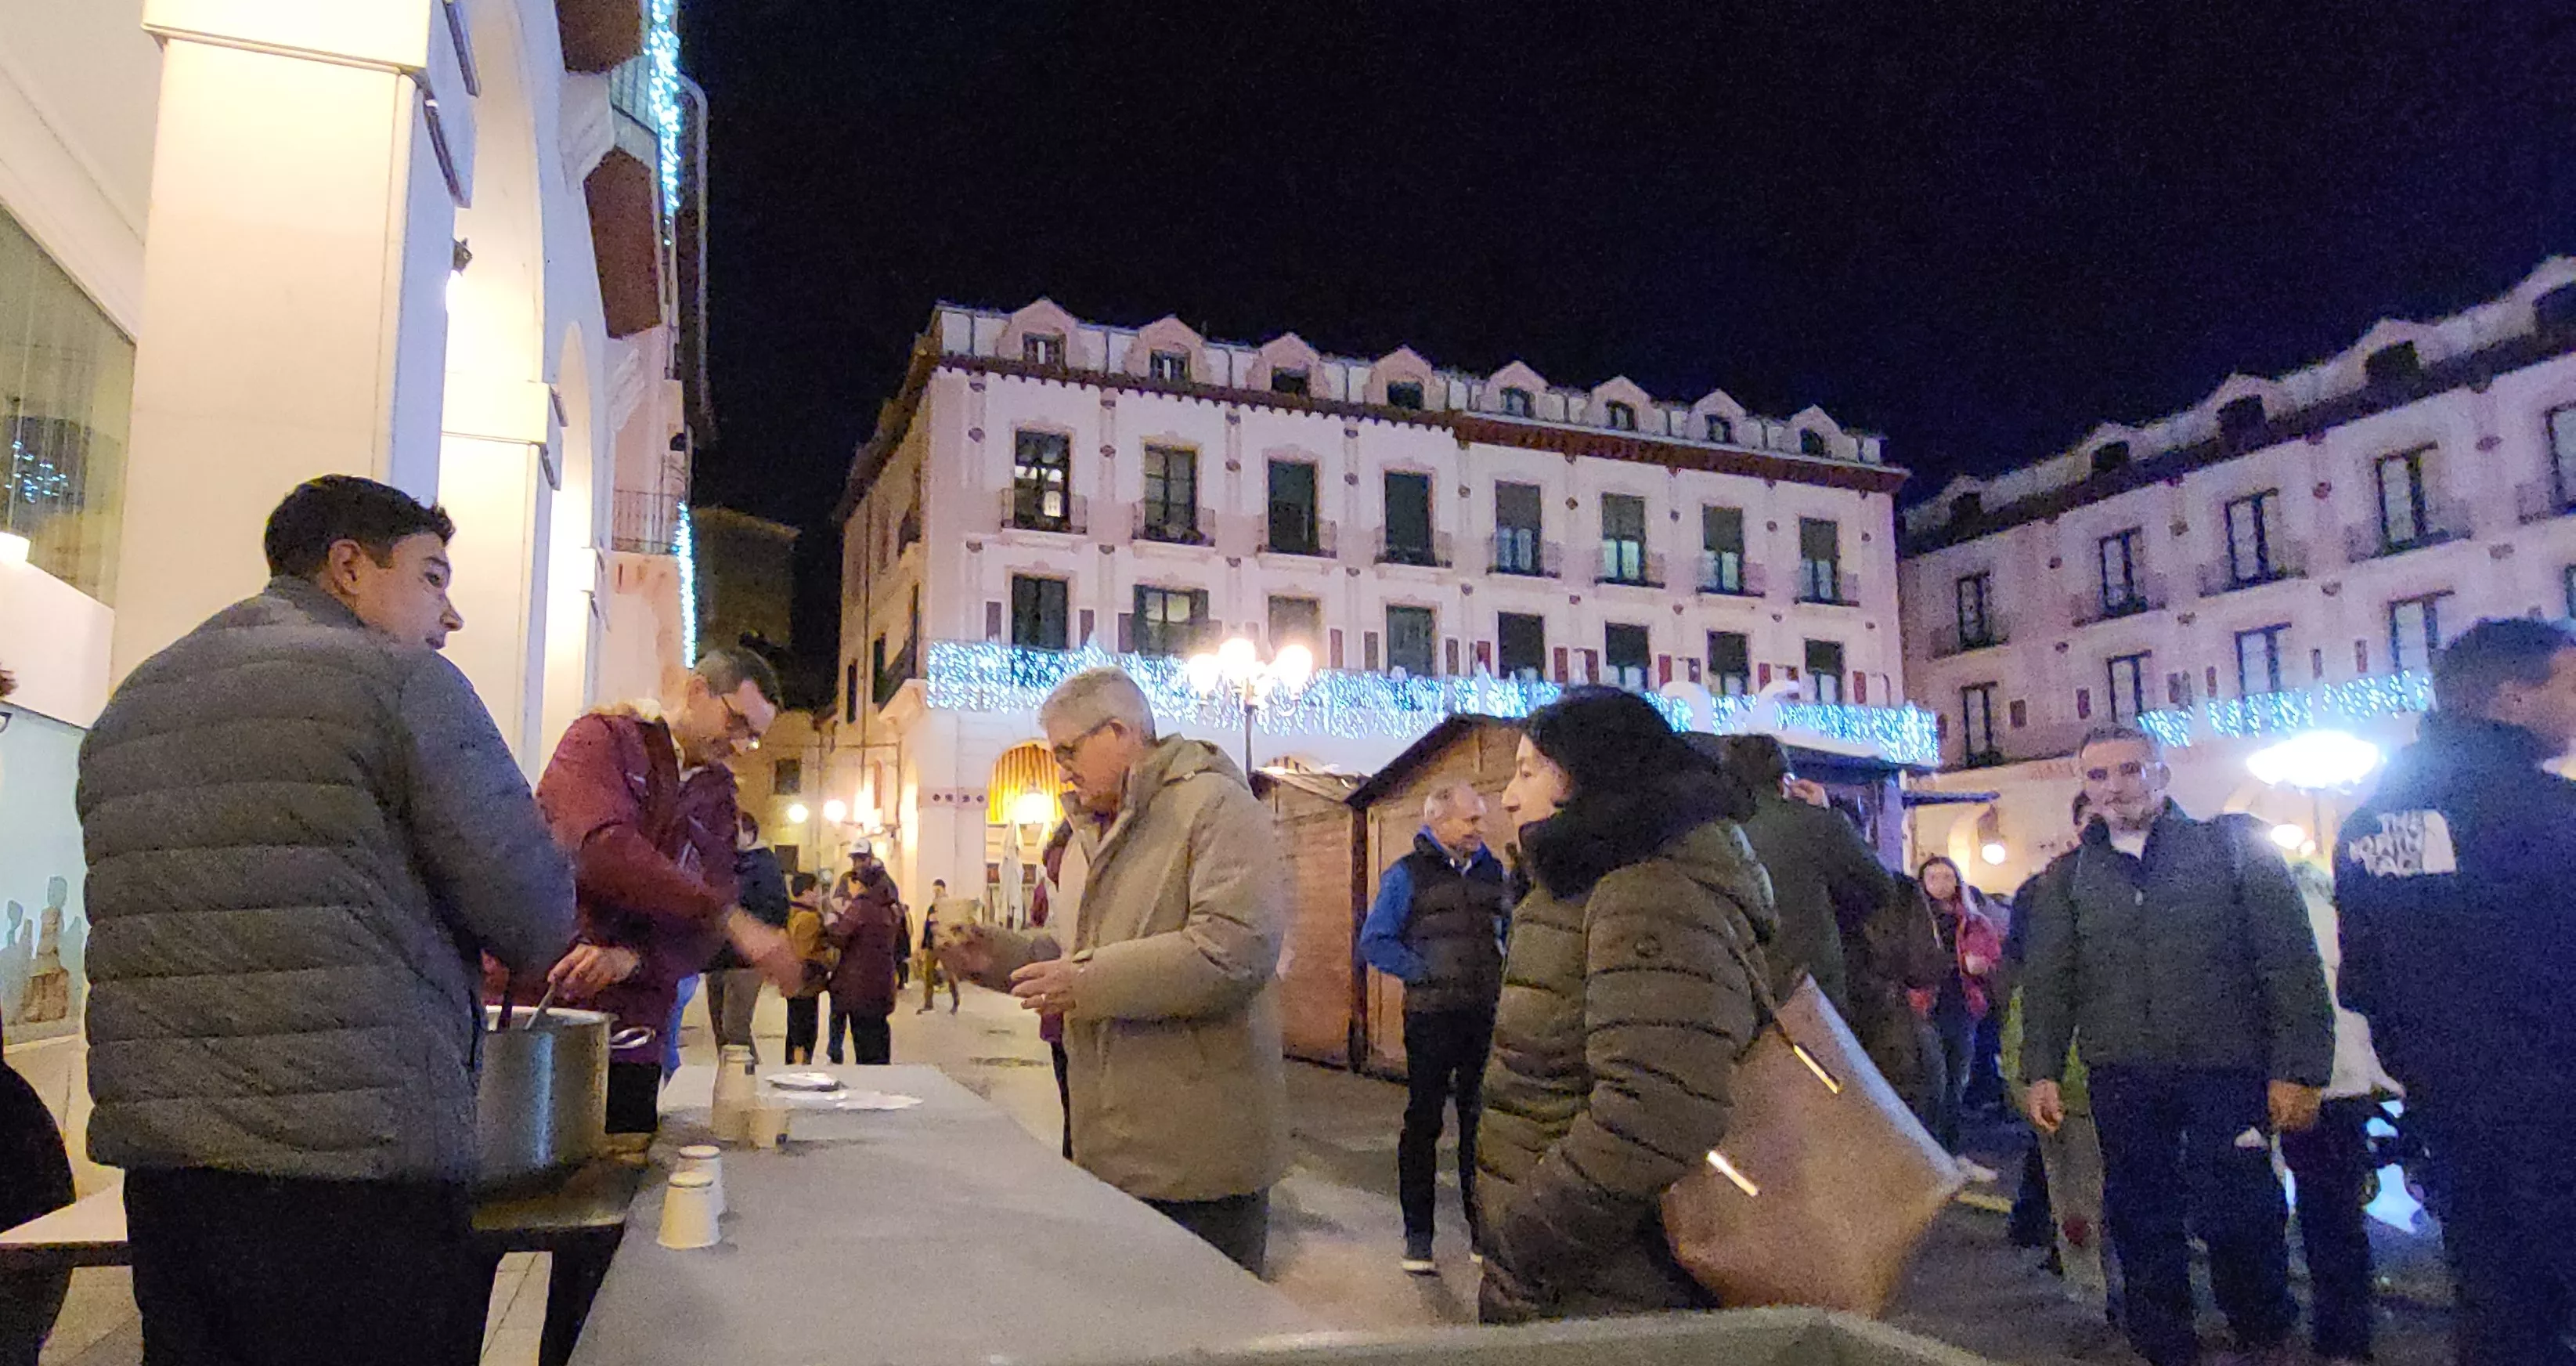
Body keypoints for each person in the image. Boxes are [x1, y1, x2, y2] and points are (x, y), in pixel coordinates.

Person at [78, 476, 578, 1365]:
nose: (450, 612)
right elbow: (533, 914)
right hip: (358, 1175)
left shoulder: (134, 702)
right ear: (348, 566)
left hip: (171, 1177)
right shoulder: (403, 686)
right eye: (432, 575)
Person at [942, 667, 1288, 1274]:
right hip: (1113, 1147)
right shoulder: (1089, 832)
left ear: (1122, 732)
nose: (1061, 768)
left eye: (1069, 750)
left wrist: (1084, 981)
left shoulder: (1214, 806)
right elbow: (1078, 950)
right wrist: (994, 957)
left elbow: (1232, 949)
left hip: (1197, 1156)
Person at [2022, 724, 2334, 1366]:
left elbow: (2288, 962)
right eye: (2099, 775)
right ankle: (2163, 1339)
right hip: (2123, 1069)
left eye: (2131, 770)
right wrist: (2042, 1069)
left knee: (2241, 1203)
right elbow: (2051, 980)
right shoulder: (2067, 877)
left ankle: (2261, 1324)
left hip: (2224, 1062)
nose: (2116, 787)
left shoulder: (2230, 850)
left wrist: (2300, 1067)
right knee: (2141, 1209)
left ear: (2161, 774)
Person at [1475, 687, 1773, 1323]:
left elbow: (1658, 1113)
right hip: (1578, 1273)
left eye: (1528, 772)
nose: (1507, 795)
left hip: (1609, 1279)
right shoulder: (1589, 888)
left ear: (1591, 776)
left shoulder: (1646, 893)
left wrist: (1526, 1242)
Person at [2335, 617, 2576, 1365]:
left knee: (2499, 1309)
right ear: (2511, 698)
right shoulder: (2549, 817)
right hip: (2558, 1109)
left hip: (2450, 1110)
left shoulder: (2370, 822)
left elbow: (2364, 975)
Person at [513, 645, 802, 1135]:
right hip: (544, 1008)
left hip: (636, 1026)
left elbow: (700, 933)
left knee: (625, 1169)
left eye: (753, 737)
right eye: (736, 723)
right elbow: (602, 849)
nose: (740, 744)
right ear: (696, 691)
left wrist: (635, 959)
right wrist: (728, 916)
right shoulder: (602, 740)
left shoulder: (717, 801)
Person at [1358, 781, 1511, 1274]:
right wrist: (1424, 971)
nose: (1479, 828)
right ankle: (1418, 1238)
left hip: (1482, 1015)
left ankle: (1482, 1232)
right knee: (1424, 1122)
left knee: (1480, 1125)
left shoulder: (1494, 873)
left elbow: (1508, 933)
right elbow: (1375, 941)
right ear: (1438, 821)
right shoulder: (1406, 876)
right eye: (1470, 819)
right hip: (1430, 1018)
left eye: (1480, 818)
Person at [2001, 790, 2120, 1355]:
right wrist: (2030, 1069)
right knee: (2077, 1193)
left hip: (2131, 1064)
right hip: (2071, 1070)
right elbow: (2031, 983)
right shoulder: (2045, 889)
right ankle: (2096, 1301)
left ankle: (2127, 1295)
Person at [2271, 852, 2393, 1365]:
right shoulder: (2342, 925)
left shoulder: (2285, 930)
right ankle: (2349, 1333)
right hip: (2349, 1083)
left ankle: (2329, 1329)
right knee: (2340, 1215)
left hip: (2307, 1083)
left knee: (2318, 1215)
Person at [1701, 735, 1893, 1014]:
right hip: (1809, 987)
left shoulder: (1708, 830)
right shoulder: (1818, 824)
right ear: (1784, 781)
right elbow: (1880, 888)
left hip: (1733, 988)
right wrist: (1826, 814)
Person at [1913, 855, 2004, 1162]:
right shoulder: (1916, 922)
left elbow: (1993, 956)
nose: (1941, 884)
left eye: (1947, 877)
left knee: (1956, 1081)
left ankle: (1950, 1150)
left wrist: (1983, 966)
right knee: (1932, 1081)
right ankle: (1930, 1152)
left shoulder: (1975, 920)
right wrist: (1958, 963)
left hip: (1962, 1008)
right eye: (1934, 878)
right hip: (1925, 1009)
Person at [705, 810, 792, 1062]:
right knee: (721, 1032)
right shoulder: (724, 864)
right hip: (717, 959)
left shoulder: (764, 865)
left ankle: (750, 1082)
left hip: (745, 962)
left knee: (735, 1030)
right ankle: (732, 1083)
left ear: (750, 834)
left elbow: (777, 911)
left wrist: (744, 924)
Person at [824, 840, 905, 1064]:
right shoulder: (888, 905)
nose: (857, 864)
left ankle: (846, 1058)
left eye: (860, 859)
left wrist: (832, 921)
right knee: (878, 1034)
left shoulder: (863, 906)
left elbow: (840, 935)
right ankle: (839, 1049)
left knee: (865, 1040)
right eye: (855, 859)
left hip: (859, 982)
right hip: (881, 981)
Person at [782, 873, 831, 1065]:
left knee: (794, 1030)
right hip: (806, 983)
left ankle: (792, 1064)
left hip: (791, 982)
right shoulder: (809, 918)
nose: (818, 896)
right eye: (816, 891)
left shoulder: (790, 913)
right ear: (807, 892)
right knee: (805, 1032)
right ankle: (800, 1068)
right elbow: (804, 953)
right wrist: (827, 957)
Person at [917, 879, 961, 1014]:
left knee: (950, 974)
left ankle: (955, 1001)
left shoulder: (949, 907)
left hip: (945, 946)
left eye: (938, 891)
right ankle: (928, 1003)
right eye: (934, 891)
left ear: (944, 890)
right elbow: (927, 926)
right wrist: (922, 944)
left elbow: (954, 925)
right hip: (931, 945)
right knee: (928, 973)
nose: (936, 893)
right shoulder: (932, 907)